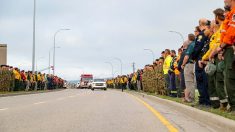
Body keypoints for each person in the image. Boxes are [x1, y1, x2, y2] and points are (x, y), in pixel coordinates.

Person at [213, 0, 235, 113]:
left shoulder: (233, 13)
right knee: (228, 78)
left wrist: (221, 47)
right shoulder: (230, 14)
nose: (224, 1)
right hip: (227, 49)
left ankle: (234, 106)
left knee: (229, 79)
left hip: (230, 47)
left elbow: (231, 32)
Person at [181, 33, 196, 102]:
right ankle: (192, 97)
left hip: (189, 64)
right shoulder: (196, 44)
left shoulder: (191, 45)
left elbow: (186, 57)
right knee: (193, 82)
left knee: (189, 82)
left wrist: (183, 64)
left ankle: (190, 98)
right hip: (194, 63)